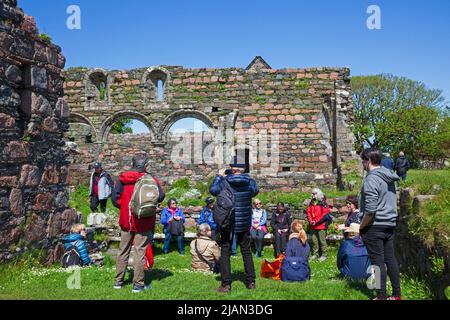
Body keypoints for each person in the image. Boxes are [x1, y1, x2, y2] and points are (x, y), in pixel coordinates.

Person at [111, 154, 165, 293]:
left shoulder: (122, 179)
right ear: (145, 165)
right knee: (140, 252)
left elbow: (114, 199)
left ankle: (118, 282)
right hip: (144, 220)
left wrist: (125, 208)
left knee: (123, 251)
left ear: (133, 164)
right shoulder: (150, 179)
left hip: (126, 220)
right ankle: (138, 285)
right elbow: (160, 196)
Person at [210, 156, 259, 293]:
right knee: (246, 251)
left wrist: (219, 176)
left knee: (225, 251)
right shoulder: (249, 181)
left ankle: (226, 284)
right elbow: (255, 192)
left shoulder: (224, 181)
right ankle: (251, 282)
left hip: (228, 220)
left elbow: (213, 191)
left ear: (231, 168)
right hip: (243, 221)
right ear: (243, 168)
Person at [359, 147, 402, 300]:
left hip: (374, 225)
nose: (362, 164)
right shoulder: (389, 176)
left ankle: (381, 296)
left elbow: (370, 210)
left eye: (363, 160)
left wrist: (362, 226)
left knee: (377, 263)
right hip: (389, 223)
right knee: (390, 259)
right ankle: (396, 295)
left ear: (368, 160)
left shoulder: (371, 179)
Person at [306, 188, 330, 261]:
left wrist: (315, 221)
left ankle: (324, 255)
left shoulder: (323, 203)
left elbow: (324, 215)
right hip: (313, 225)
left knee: (322, 241)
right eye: (312, 193)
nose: (313, 195)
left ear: (319, 194)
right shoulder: (311, 203)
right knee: (314, 241)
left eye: (315, 193)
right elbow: (308, 212)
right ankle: (315, 254)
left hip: (321, 225)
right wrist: (311, 220)